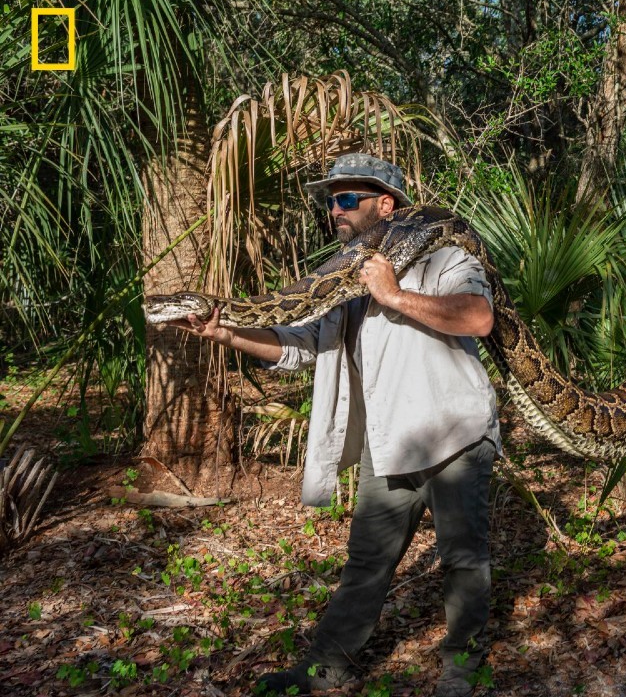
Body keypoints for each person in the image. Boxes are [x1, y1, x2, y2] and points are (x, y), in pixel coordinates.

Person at [165, 153, 500, 696]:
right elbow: (295, 348)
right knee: (367, 561)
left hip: (453, 433)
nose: (335, 211)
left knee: (462, 558)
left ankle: (462, 670)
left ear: (386, 205)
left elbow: (478, 317)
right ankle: (328, 666)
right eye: (330, 201)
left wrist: (392, 293)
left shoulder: (443, 255)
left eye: (347, 200)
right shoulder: (340, 282)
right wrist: (225, 333)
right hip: (388, 439)